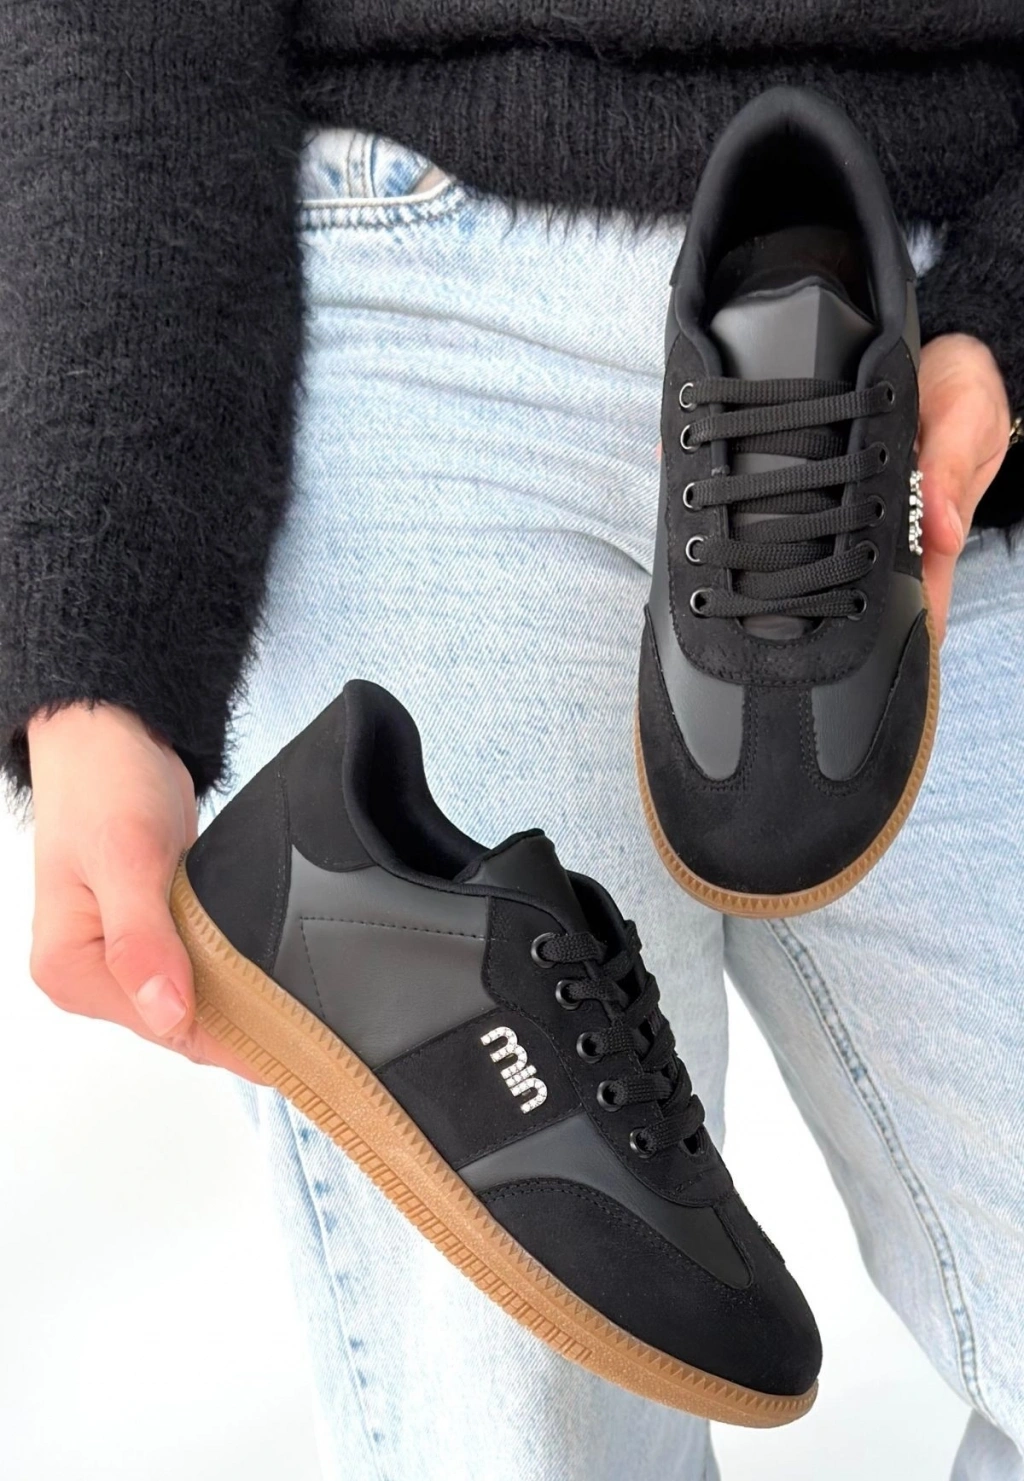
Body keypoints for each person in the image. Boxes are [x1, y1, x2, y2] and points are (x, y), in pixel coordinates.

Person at [2, 8, 1022, 1479]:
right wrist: (108, 645)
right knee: (529, 1428)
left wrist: (1003, 325)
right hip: (414, 304)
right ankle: (361, 886)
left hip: (930, 306)